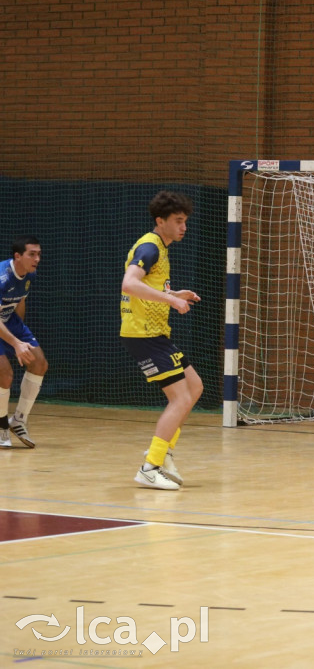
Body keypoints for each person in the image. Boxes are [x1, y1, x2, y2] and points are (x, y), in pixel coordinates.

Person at [120, 191, 203, 490]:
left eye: (185, 221)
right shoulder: (150, 246)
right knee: (180, 398)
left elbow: (148, 286)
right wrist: (171, 302)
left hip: (156, 333)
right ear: (161, 221)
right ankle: (150, 466)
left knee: (194, 387)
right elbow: (129, 283)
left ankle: (163, 451)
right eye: (178, 221)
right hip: (143, 334)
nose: (184, 227)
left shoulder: (162, 249)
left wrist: (173, 294)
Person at [0, 236, 47, 449]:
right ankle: (1, 428)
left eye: (38, 254)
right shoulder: (2, 277)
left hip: (9, 321)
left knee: (39, 362)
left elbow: (20, 301)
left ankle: (18, 420)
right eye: (32, 254)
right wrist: (16, 344)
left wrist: (21, 340)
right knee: (4, 373)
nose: (37, 258)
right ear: (17, 256)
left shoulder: (29, 275)